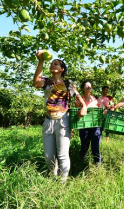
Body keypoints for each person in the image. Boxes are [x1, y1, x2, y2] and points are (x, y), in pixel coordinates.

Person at [33, 50, 87, 182]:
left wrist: (84, 107)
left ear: (62, 69)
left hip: (63, 120)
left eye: (56, 64)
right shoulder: (46, 82)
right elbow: (36, 82)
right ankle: (54, 177)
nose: (52, 66)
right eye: (51, 64)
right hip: (48, 121)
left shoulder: (68, 84)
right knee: (48, 156)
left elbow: (79, 98)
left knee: (62, 155)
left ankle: (62, 183)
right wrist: (41, 62)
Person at [75, 80, 104, 165]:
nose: (89, 87)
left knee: (95, 146)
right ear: (82, 88)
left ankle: (97, 165)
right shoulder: (80, 100)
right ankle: (81, 163)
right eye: (86, 86)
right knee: (84, 145)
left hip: (96, 125)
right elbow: (77, 112)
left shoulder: (96, 98)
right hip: (84, 126)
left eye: (90, 86)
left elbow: (103, 109)